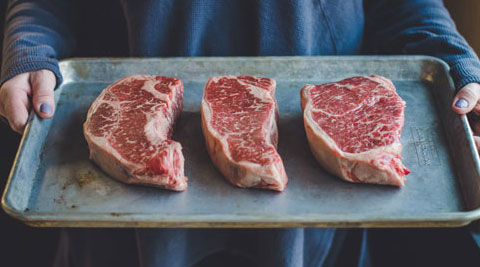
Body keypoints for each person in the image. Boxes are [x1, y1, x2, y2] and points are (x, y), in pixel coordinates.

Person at [1, 0, 480, 266]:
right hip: (122, 236)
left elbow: (406, 6)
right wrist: (30, 48)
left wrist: (451, 57)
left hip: (315, 234)